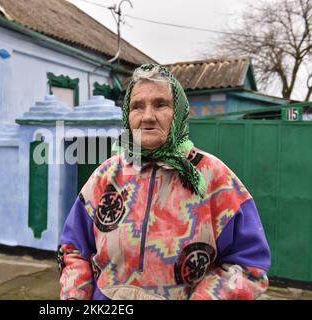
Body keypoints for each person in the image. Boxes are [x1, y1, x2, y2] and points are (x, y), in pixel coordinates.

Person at [57, 64, 271, 300]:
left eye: (160, 104)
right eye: (137, 106)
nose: (147, 116)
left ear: (179, 112)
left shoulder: (214, 178)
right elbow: (73, 250)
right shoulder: (106, 176)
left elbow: (249, 267)